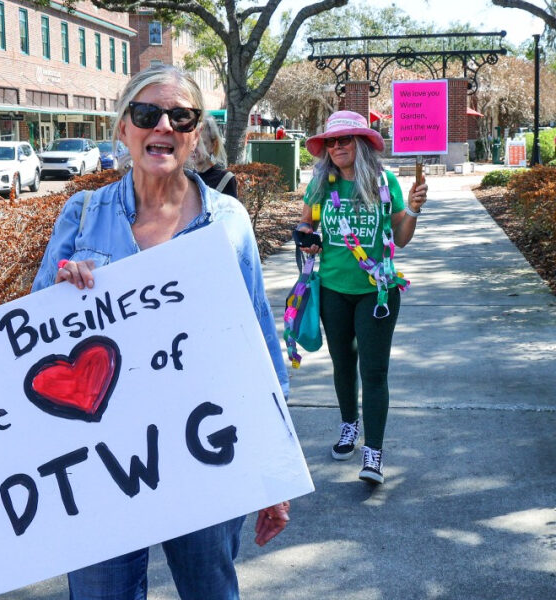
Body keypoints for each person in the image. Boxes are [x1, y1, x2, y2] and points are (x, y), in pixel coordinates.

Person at [31, 64, 291, 600]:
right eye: (147, 114)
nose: (163, 127)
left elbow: (259, 345)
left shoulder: (228, 221)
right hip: (100, 463)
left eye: (181, 116)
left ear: (197, 134)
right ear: (123, 127)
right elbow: (33, 340)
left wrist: (275, 468)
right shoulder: (82, 216)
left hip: (204, 451)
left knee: (210, 591)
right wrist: (61, 293)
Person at [296, 110, 428, 485]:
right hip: (334, 291)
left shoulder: (384, 183)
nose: (337, 147)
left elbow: (400, 237)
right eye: (331, 142)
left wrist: (414, 210)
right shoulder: (321, 185)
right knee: (342, 364)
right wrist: (306, 238)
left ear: (361, 144)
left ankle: (374, 454)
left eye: (345, 140)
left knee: (373, 372)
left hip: (378, 291)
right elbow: (306, 224)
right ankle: (348, 426)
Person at [189, 114, 238, 198]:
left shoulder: (225, 179)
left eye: (200, 143)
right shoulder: (186, 177)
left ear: (213, 145)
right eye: (191, 142)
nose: (194, 148)